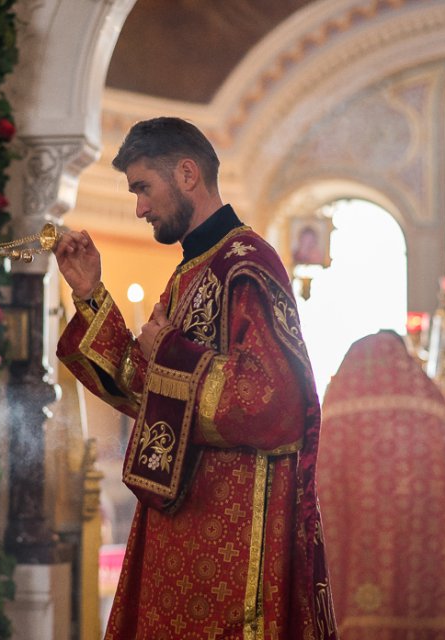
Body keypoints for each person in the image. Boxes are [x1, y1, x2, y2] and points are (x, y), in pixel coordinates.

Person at [55, 117, 338, 639]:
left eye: (144, 187)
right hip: (181, 524)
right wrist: (92, 294)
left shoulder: (246, 264)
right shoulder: (191, 271)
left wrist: (170, 352)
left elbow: (276, 403)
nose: (139, 207)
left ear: (187, 174)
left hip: (233, 538)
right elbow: (146, 391)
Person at [316, 331, 445, 639]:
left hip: (350, 593)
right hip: (426, 592)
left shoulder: (337, 412)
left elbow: (316, 498)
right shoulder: (432, 409)